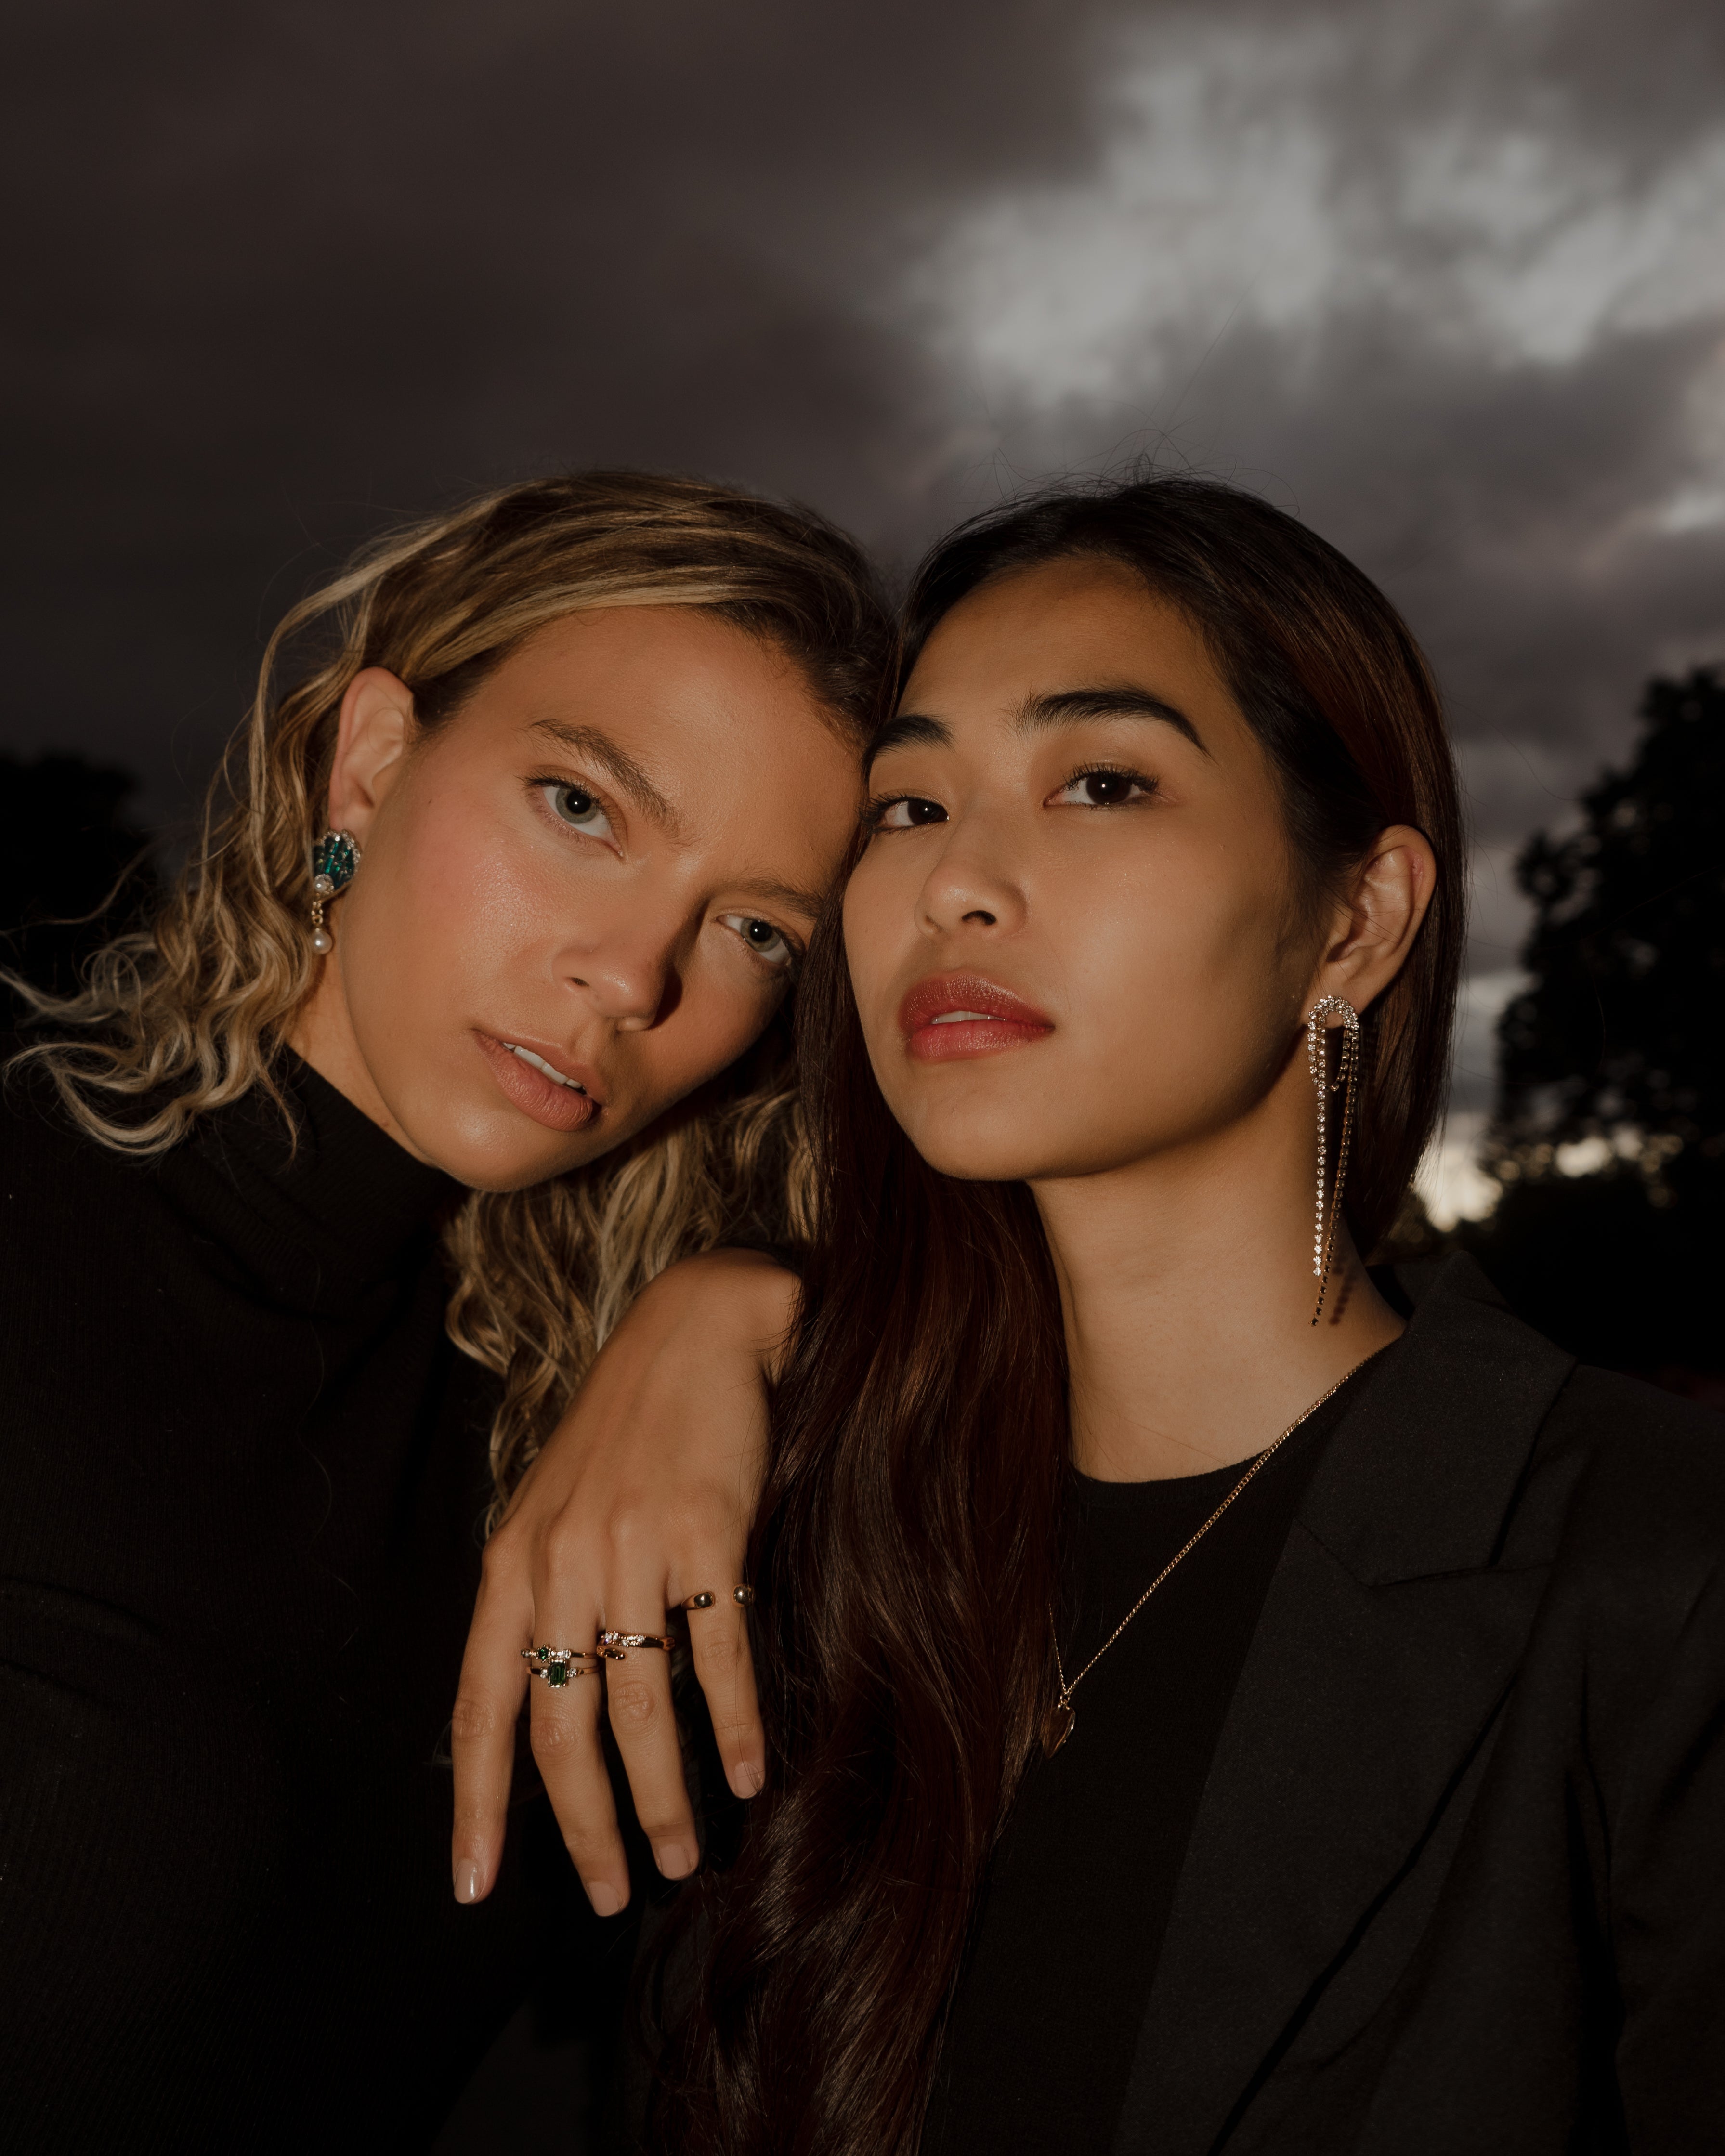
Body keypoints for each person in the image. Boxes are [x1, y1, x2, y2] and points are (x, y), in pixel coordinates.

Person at [463, 473, 1725, 2154]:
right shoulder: (790, 1533)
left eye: (1103, 782)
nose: (956, 884)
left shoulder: (1654, 1566)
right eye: (908, 806)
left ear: (1355, 921)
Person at [0, 470, 892, 2153]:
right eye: (582, 807)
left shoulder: (564, 1428)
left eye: (755, 930)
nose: (635, 975)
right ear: (370, 761)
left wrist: (750, 1306)